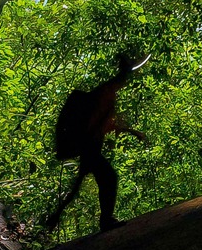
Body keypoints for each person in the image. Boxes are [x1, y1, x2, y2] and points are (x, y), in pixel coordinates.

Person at [42, 51, 148, 235]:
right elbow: (100, 122)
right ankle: (104, 220)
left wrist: (132, 132)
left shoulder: (106, 95)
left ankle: (54, 218)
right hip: (89, 148)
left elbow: (107, 124)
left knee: (81, 184)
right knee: (107, 178)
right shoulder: (105, 94)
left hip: (89, 147)